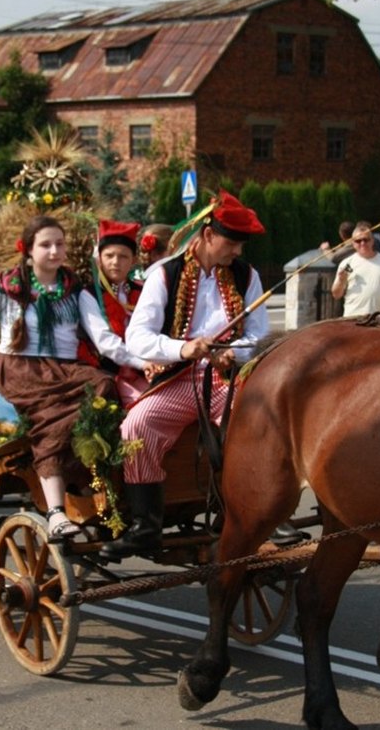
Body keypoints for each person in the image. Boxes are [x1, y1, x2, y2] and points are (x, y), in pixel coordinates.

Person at [101, 191, 268, 559]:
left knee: (258, 423)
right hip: (182, 377)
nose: (238, 251)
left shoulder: (247, 275)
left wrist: (234, 351)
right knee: (137, 426)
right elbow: (138, 337)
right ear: (208, 235)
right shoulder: (165, 274)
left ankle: (255, 509)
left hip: (227, 377)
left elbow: (258, 333)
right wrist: (183, 349)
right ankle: (146, 525)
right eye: (232, 242)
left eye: (241, 244)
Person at [0, 215, 116, 540]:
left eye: (59, 244)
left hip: (64, 369)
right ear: (28, 249)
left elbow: (103, 338)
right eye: (46, 245)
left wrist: (148, 359)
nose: (55, 251)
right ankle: (56, 512)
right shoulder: (8, 286)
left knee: (104, 384)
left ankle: (87, 480)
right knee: (50, 416)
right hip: (20, 368)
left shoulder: (73, 288)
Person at [78, 220, 150, 408]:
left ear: (134, 260)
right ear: (99, 259)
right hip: (110, 371)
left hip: (147, 368)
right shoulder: (89, 295)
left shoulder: (144, 291)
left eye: (123, 256)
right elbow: (105, 342)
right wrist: (142, 363)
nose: (115, 262)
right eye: (109, 256)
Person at [331, 220, 380, 318]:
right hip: (352, 318)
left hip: (378, 319)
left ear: (372, 241)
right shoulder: (346, 263)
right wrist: (341, 281)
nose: (362, 243)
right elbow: (336, 295)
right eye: (358, 241)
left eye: (366, 239)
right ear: (353, 243)